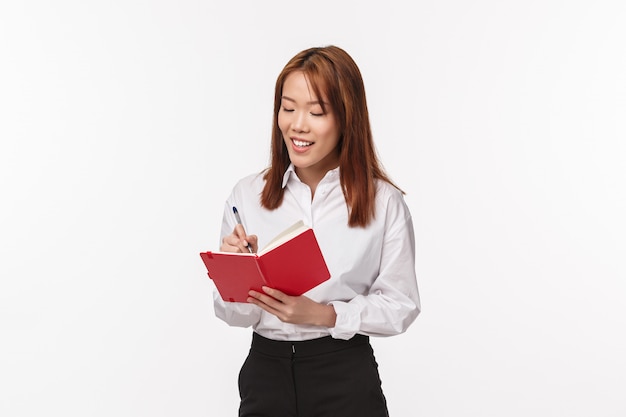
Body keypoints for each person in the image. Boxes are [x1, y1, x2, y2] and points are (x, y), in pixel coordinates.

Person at [213, 45, 420, 417]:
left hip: (343, 373)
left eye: (317, 112)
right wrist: (234, 274)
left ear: (346, 118)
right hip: (265, 373)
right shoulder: (246, 195)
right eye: (288, 108)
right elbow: (233, 316)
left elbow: (401, 306)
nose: (298, 125)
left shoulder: (383, 202)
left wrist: (326, 315)